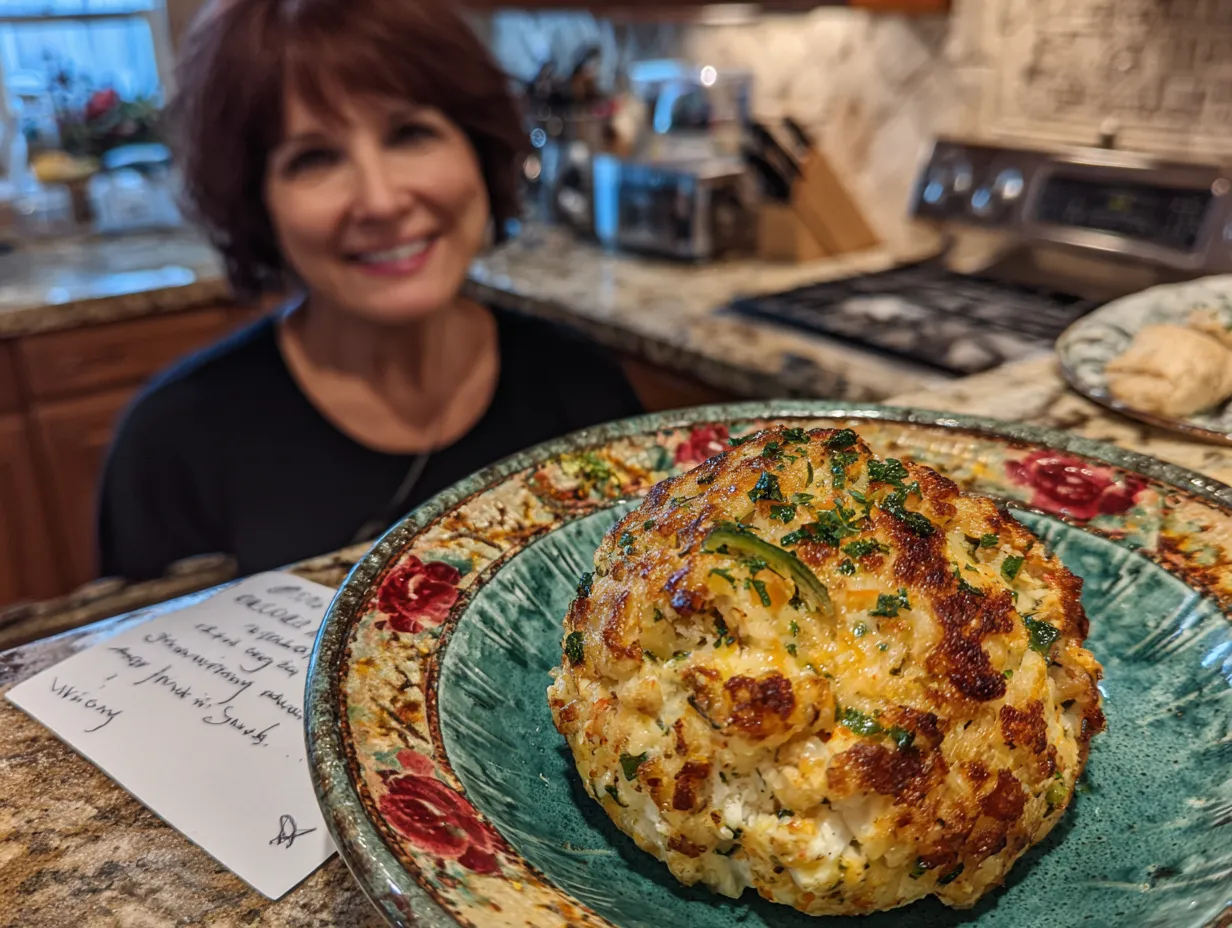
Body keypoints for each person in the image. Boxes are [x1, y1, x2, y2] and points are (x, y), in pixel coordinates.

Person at [97, 0, 643, 581]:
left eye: (410, 134)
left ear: (479, 151)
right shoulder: (172, 448)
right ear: (257, 205)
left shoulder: (585, 392)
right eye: (314, 158)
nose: (381, 201)